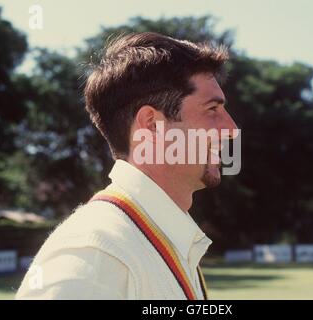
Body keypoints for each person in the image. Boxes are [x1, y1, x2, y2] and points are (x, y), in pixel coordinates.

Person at [16, 32, 238, 299]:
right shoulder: (95, 253)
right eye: (212, 109)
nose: (232, 129)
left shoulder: (151, 239)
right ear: (152, 124)